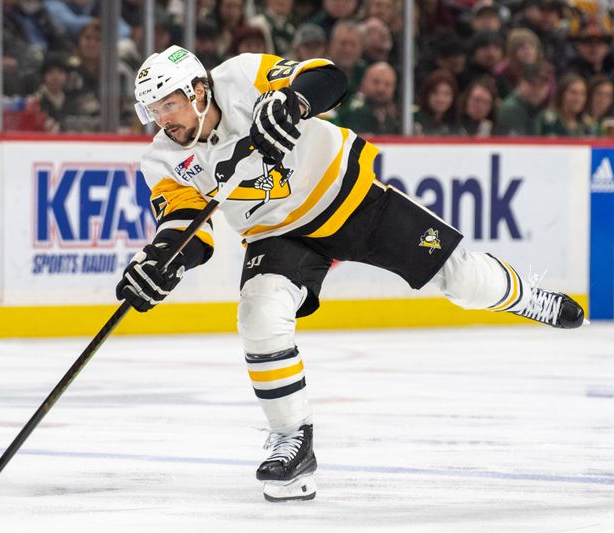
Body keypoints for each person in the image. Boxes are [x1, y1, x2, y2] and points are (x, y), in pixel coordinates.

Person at [118, 45, 586, 502]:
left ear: (199, 90)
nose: (162, 120)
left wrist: (293, 100)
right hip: (278, 233)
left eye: (170, 105)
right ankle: (292, 443)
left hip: (350, 198)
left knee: (462, 280)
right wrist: (163, 261)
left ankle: (526, 297)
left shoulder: (241, 76)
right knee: (259, 316)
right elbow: (185, 226)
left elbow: (328, 77)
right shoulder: (163, 159)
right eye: (153, 111)